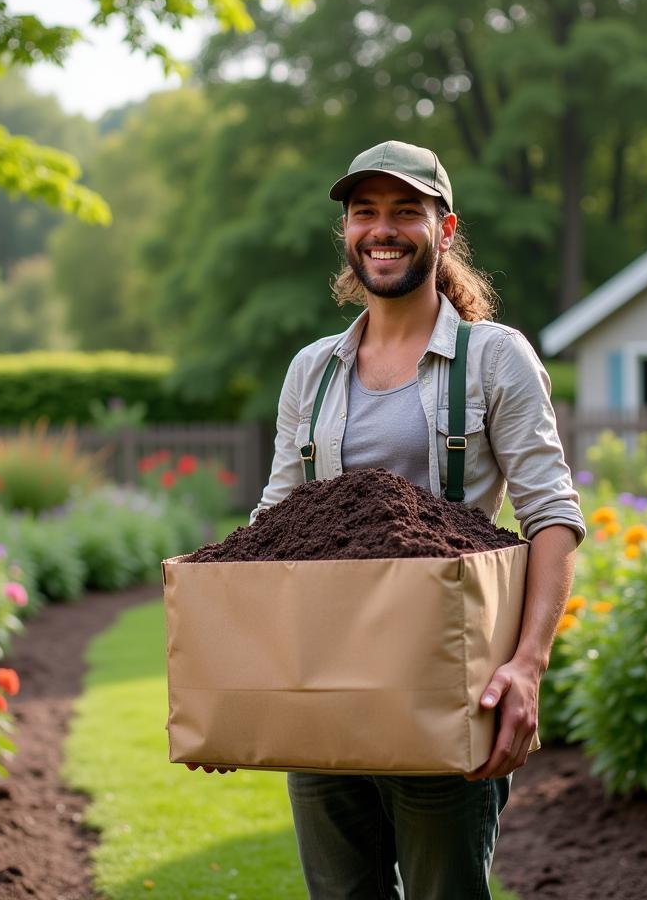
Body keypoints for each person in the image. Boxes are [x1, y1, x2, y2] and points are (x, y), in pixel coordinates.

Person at [193, 140, 586, 899]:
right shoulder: (313, 369)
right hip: (322, 680)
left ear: (444, 230)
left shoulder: (494, 359)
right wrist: (228, 687)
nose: (383, 228)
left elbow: (551, 516)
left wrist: (528, 665)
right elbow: (274, 525)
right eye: (364, 212)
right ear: (346, 232)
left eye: (407, 211)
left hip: (447, 680)